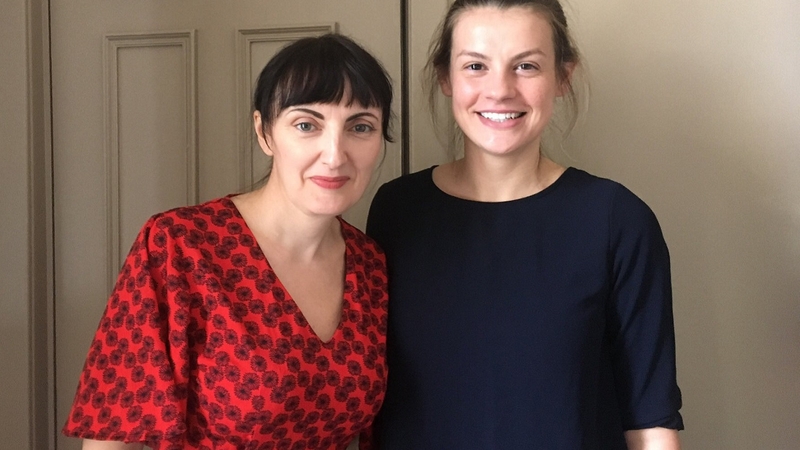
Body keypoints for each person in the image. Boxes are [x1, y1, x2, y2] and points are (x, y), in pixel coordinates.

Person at [365, 1, 683, 449]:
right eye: (475, 65)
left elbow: (651, 418)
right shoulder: (396, 211)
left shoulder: (617, 220)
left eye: (526, 66)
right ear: (445, 78)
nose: (499, 90)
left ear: (562, 77)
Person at [62, 33, 392, 450]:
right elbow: (111, 432)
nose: (335, 153)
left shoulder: (370, 264)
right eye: (306, 124)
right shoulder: (181, 247)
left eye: (360, 127)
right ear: (265, 133)